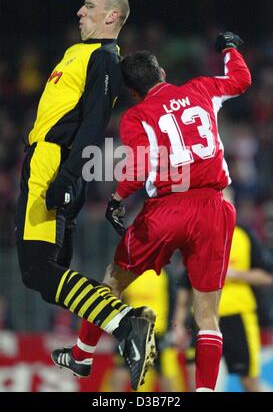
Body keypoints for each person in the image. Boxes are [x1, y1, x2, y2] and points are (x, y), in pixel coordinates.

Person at [53, 32, 252, 391]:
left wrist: (116, 198)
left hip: (165, 208)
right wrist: (230, 48)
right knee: (207, 316)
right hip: (213, 206)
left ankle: (82, 355)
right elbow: (241, 80)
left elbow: (141, 164)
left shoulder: (136, 115)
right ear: (160, 72)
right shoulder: (201, 89)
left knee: (111, 282)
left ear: (131, 91)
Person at [16, 0, 157, 391]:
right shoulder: (81, 53)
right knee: (46, 276)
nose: (80, 11)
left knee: (37, 269)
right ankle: (106, 337)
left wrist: (66, 178)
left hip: (52, 164)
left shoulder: (104, 59)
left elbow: (94, 127)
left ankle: (126, 323)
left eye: (90, 6)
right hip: (46, 162)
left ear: (111, 17)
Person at [174, 222, 273, 392]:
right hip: (202, 319)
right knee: (195, 378)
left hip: (237, 317)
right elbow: (185, 286)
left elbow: (267, 277)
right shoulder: (197, 239)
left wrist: (235, 274)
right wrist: (179, 324)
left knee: (248, 381)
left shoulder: (244, 236)